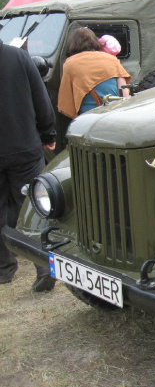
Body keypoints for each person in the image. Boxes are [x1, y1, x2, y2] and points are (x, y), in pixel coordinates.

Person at [0, 38, 57, 291]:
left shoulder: (18, 57)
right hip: (23, 144)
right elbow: (40, 98)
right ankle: (43, 267)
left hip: (21, 145)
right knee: (33, 207)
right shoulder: (19, 57)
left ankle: (4, 268)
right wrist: (48, 134)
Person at [58, 28, 131, 119]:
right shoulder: (112, 60)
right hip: (113, 115)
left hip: (88, 118)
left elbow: (67, 100)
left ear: (73, 44)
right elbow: (125, 94)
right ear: (94, 41)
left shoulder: (69, 64)